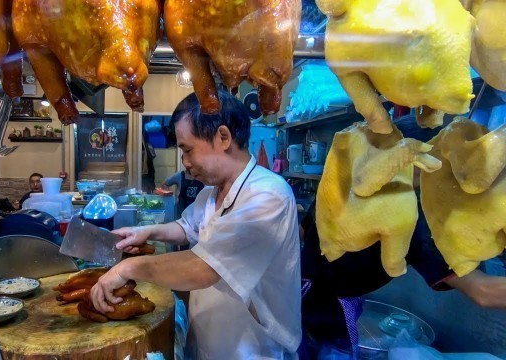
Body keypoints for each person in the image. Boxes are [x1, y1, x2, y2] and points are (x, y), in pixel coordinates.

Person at [90, 91, 302, 359]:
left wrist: (127, 268)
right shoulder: (210, 193)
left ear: (223, 137)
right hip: (206, 341)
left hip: (252, 349)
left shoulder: (269, 196)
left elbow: (204, 268)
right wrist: (145, 232)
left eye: (187, 150)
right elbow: (187, 226)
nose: (185, 163)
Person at [299, 115, 506, 359]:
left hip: (302, 288)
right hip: (330, 311)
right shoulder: (414, 215)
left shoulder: (346, 179)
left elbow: (302, 232)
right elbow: (483, 291)